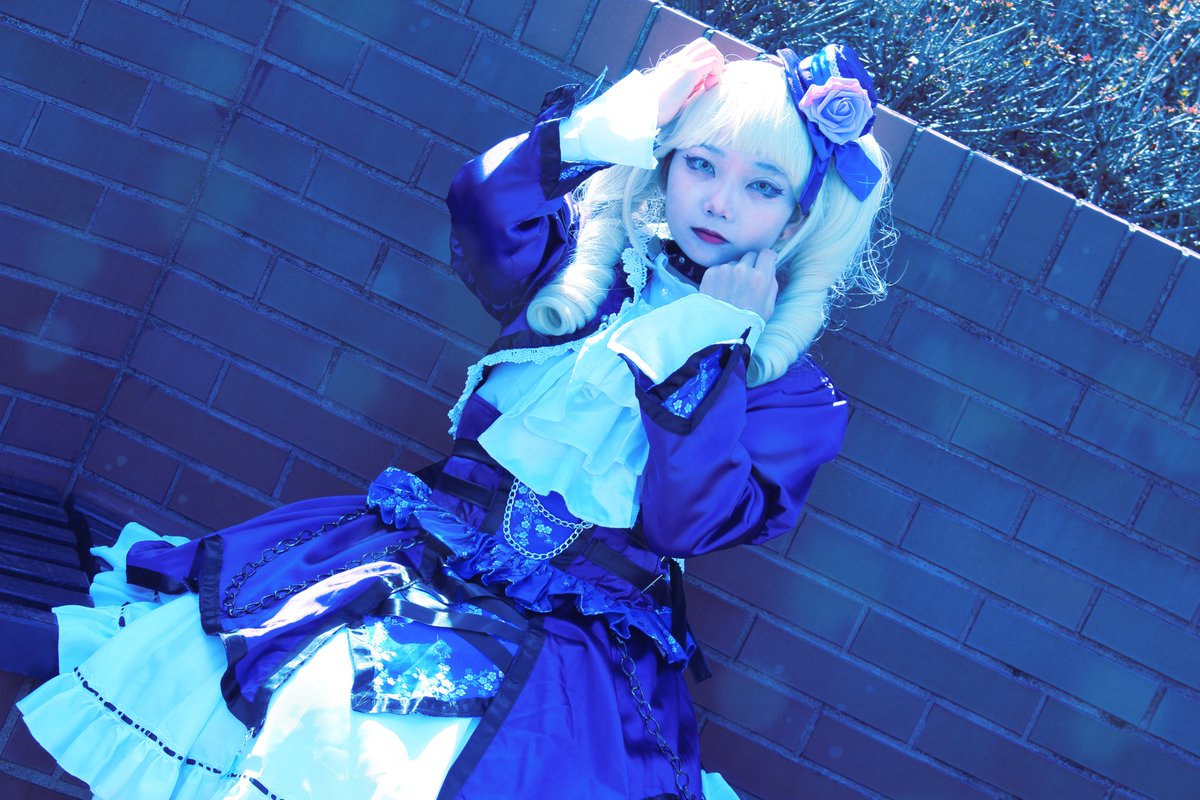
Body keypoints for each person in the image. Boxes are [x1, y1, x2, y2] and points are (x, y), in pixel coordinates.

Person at [18, 38, 889, 800]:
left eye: (761, 186)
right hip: (422, 552)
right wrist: (594, 134)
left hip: (576, 640)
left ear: (802, 215)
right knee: (279, 687)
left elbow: (683, 522)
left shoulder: (790, 396)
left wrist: (707, 348)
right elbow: (483, 208)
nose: (720, 202)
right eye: (701, 164)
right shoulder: (592, 270)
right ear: (665, 162)